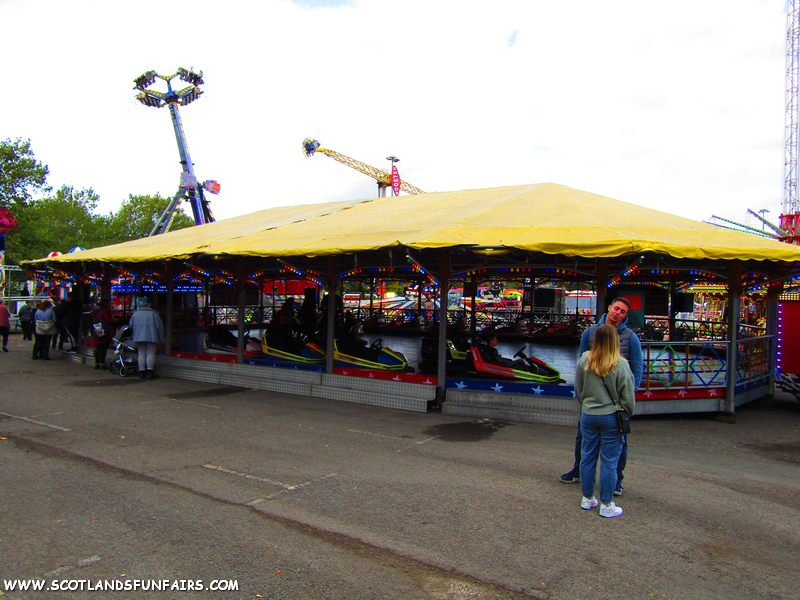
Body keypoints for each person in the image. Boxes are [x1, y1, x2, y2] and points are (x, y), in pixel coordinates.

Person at [561, 297, 643, 494]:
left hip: (615, 401)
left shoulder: (630, 337)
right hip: (594, 399)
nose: (618, 313)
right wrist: (583, 399)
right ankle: (578, 470)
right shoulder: (590, 333)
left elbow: (637, 368)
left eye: (623, 311)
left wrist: (629, 395)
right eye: (617, 308)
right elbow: (580, 366)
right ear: (609, 308)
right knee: (583, 438)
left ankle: (617, 480)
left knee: (618, 446)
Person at [575, 324, 636, 518]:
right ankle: (607, 504)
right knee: (610, 461)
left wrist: (586, 404)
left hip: (588, 414)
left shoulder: (585, 359)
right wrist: (627, 412)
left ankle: (587, 498)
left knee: (588, 456)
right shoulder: (621, 364)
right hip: (611, 416)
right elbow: (628, 396)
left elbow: (579, 389)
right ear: (615, 341)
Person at [129, 295, 164, 380]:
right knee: (150, 354)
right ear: (148, 304)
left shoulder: (135, 314)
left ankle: (141, 372)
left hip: (138, 337)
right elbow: (160, 327)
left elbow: (130, 326)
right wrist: (162, 338)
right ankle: (150, 372)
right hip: (151, 337)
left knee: (141, 354)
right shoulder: (154, 314)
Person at [91, 298, 116, 370]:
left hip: (98, 331)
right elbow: (108, 321)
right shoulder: (104, 311)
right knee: (103, 348)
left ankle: (97, 363)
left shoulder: (96, 311)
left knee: (99, 347)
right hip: (105, 332)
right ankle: (102, 363)